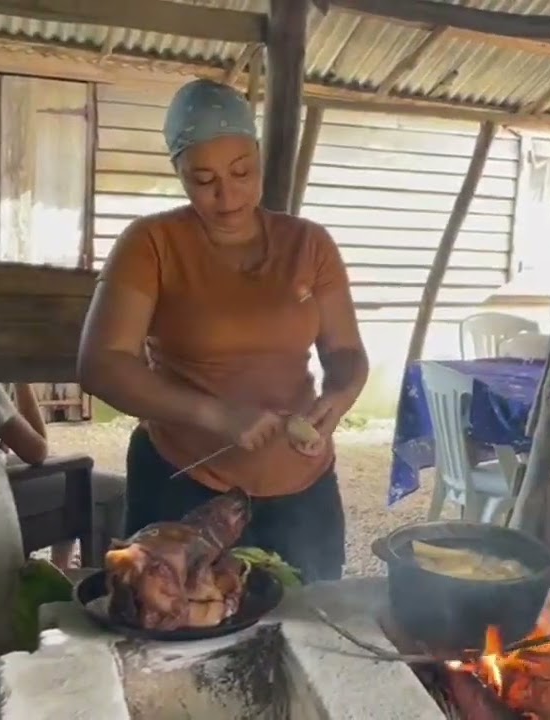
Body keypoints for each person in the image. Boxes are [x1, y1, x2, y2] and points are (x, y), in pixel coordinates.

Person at [77, 78, 369, 584]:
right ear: (179, 174)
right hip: (183, 479)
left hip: (302, 487)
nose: (227, 195)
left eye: (242, 171)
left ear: (258, 156)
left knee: (309, 621)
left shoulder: (309, 244)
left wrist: (338, 398)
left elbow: (345, 350)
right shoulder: (152, 244)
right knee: (175, 620)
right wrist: (214, 415)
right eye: (203, 178)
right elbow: (101, 363)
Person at [0, 379, 126, 571]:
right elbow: (38, 450)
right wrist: (22, 381)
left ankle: (61, 568)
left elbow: (4, 445)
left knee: (67, 472)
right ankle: (104, 585)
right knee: (115, 489)